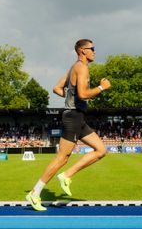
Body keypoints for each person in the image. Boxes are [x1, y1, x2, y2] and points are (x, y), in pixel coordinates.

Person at [25, 39, 111, 211]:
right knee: (62, 158)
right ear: (82, 51)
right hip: (73, 117)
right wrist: (101, 88)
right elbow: (83, 94)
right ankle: (34, 193)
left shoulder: (74, 68)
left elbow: (57, 88)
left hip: (78, 118)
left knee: (101, 150)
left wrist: (70, 95)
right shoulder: (81, 67)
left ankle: (66, 175)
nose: (94, 51)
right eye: (92, 48)